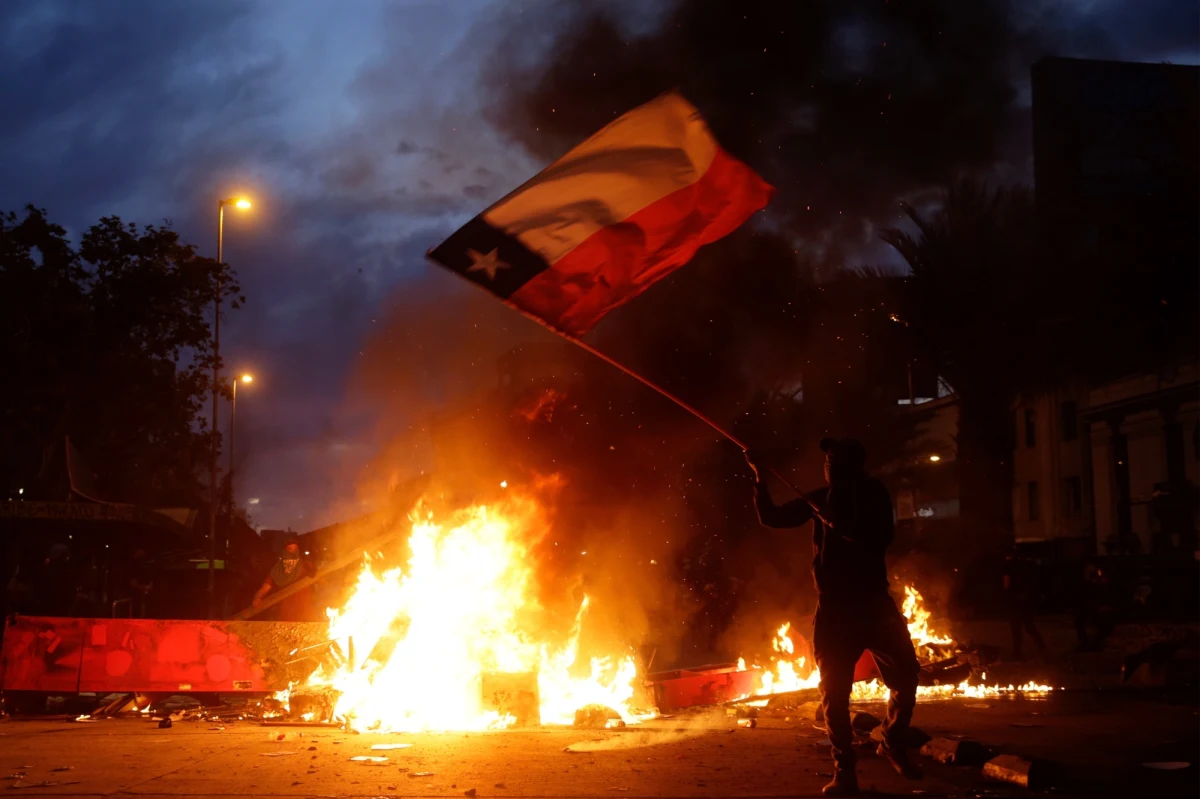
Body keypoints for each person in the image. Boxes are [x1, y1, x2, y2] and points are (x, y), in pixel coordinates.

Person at [746, 438, 921, 798]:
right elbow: (772, 518)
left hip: (873, 604)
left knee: (906, 676)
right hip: (834, 610)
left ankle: (891, 740)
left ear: (850, 465)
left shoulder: (874, 495)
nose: (828, 466)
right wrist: (760, 477)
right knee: (834, 693)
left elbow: (881, 537)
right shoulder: (820, 498)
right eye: (827, 460)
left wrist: (845, 528)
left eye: (834, 461)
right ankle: (844, 770)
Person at [252, 537, 318, 620]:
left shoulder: (306, 566)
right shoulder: (277, 571)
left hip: (304, 615)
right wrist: (257, 597)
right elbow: (264, 588)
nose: (293, 552)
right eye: (289, 549)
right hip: (285, 616)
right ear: (284, 551)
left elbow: (319, 578)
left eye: (295, 549)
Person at [1002, 547, 1046, 661]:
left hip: (1014, 601)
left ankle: (1017, 654)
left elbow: (1006, 584)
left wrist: (1006, 594)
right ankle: (1042, 646)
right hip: (1025, 599)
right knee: (1029, 625)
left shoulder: (1008, 566)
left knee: (1016, 628)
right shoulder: (1024, 565)